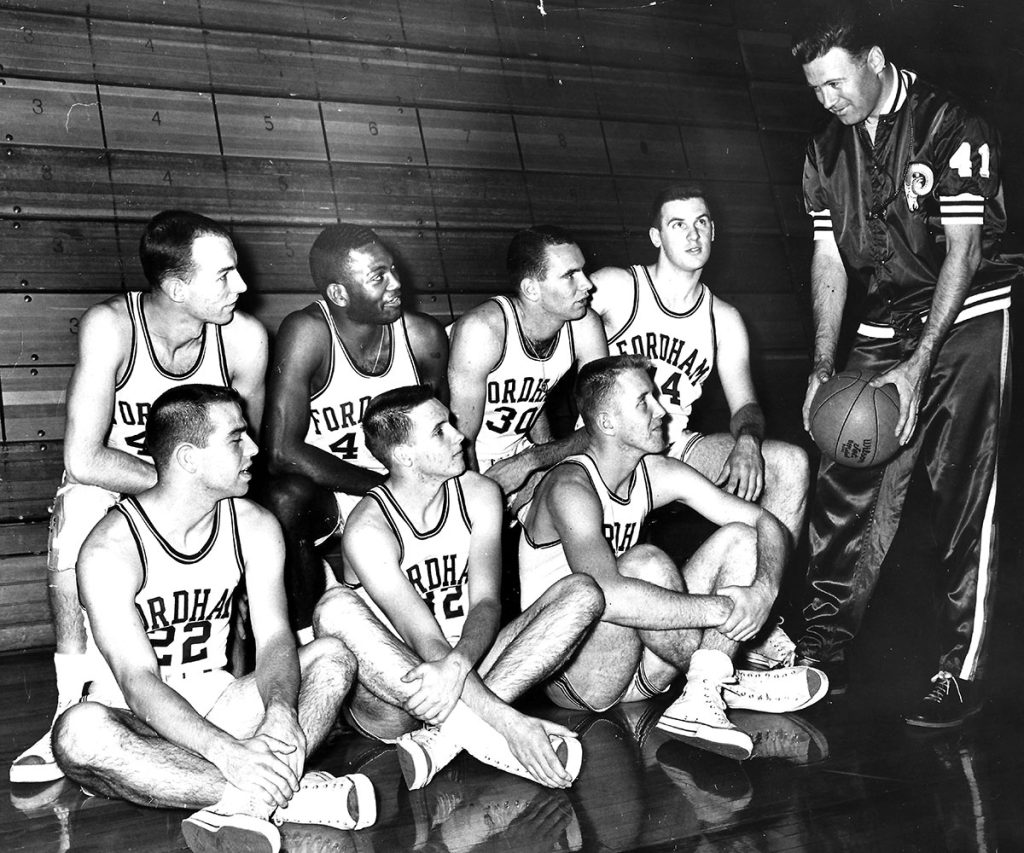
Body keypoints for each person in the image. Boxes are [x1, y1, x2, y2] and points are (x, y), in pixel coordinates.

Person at [792, 6, 1017, 725]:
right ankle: (823, 652)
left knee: (962, 489)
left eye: (836, 83)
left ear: (876, 60)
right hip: (885, 318)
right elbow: (829, 260)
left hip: (971, 311)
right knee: (844, 476)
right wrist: (822, 365)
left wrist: (918, 369)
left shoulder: (953, 124)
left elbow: (966, 252)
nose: (828, 100)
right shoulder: (826, 152)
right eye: (816, 89)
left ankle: (961, 667)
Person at [51, 385, 374, 853]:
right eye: (237, 438)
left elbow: (275, 639)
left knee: (332, 657)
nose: (256, 449)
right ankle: (285, 797)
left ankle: (237, 802)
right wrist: (229, 754)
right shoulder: (109, 549)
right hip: (141, 724)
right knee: (77, 734)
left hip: (223, 704)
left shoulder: (255, 524)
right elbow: (137, 680)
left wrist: (281, 711)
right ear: (188, 459)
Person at [10, 210, 268, 785]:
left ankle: (214, 689)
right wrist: (172, 485)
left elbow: (249, 451)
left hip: (202, 487)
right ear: (177, 288)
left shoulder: (245, 338)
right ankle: (69, 705)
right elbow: (83, 458)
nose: (242, 286)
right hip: (125, 484)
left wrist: (195, 491)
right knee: (77, 512)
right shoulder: (112, 326)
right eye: (225, 275)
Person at [519, 355, 827, 760]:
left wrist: (764, 592)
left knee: (741, 536)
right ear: (607, 423)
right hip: (580, 677)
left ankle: (705, 688)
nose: (662, 410)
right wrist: (728, 610)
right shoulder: (570, 486)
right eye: (644, 401)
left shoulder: (655, 472)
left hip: (648, 664)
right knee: (645, 563)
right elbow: (607, 595)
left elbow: (768, 524)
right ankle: (730, 681)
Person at [314, 385, 604, 789]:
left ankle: (447, 742)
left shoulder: (481, 493)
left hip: (471, 667)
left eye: (451, 423)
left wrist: (457, 664)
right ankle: (493, 735)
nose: (459, 436)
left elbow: (485, 602)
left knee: (583, 591)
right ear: (404, 456)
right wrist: (510, 721)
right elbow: (421, 635)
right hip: (400, 693)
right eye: (440, 431)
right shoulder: (368, 527)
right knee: (334, 609)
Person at [589, 185, 809, 550]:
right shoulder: (618, 287)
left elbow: (746, 406)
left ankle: (768, 596)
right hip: (608, 446)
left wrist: (749, 441)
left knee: (791, 464)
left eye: (701, 222)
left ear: (713, 231)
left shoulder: (724, 318)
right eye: (678, 225)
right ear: (656, 237)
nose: (693, 235)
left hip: (676, 448)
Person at [260, 224, 448, 641]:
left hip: (409, 486)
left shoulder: (422, 337)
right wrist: (383, 489)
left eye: (393, 269)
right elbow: (281, 452)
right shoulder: (308, 333)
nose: (397, 284)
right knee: (284, 498)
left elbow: (443, 432)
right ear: (338, 294)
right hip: (338, 488)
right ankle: (310, 640)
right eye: (378, 277)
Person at [447, 225, 608, 503]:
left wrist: (533, 458)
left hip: (520, 454)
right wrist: (479, 503)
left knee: (583, 503)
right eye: (570, 275)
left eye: (582, 270)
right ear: (531, 289)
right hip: (457, 462)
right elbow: (462, 442)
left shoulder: (584, 324)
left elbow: (606, 420)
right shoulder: (482, 330)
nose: (587, 284)